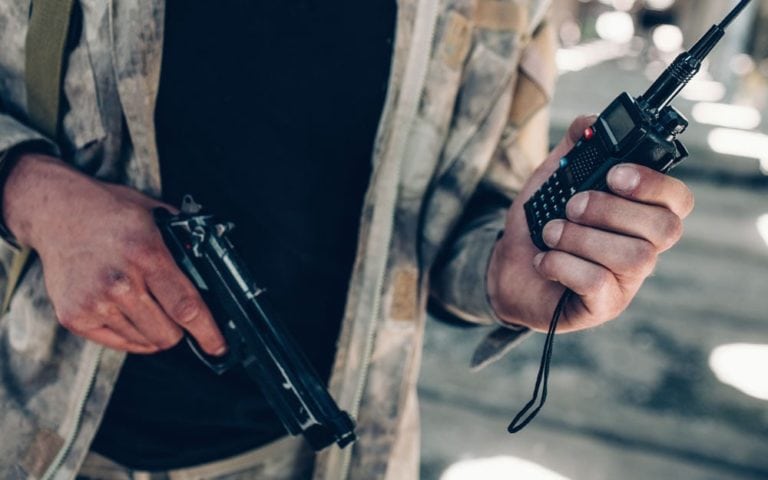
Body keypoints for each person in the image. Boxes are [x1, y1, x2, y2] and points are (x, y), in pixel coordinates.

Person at [0, 0, 693, 479]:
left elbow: (472, 208)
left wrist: (505, 272)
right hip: (33, 432)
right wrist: (31, 192)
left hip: (323, 457)